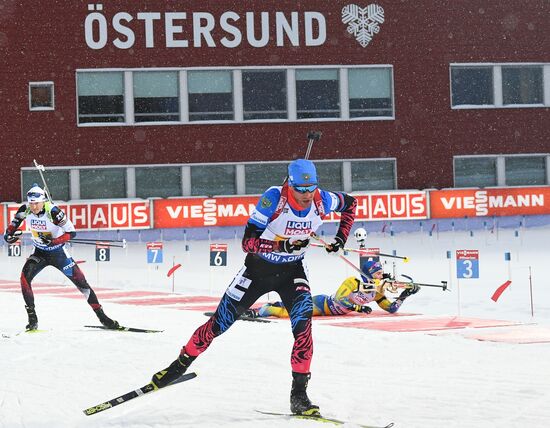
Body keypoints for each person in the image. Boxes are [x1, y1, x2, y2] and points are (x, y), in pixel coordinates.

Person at [151, 159, 356, 416]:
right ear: (289, 184)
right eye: (300, 189)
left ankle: (299, 396)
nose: (306, 195)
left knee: (303, 328)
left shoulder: (323, 200)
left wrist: (340, 238)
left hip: (291, 272)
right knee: (219, 324)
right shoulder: (273, 199)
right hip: (257, 271)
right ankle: (177, 366)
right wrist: (280, 246)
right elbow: (248, 243)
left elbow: (350, 204)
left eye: (311, 188)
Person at [3, 184, 119, 331]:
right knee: (24, 278)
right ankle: (32, 320)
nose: (33, 207)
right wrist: (9, 235)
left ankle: (103, 318)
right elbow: (11, 228)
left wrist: (54, 241)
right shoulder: (24, 210)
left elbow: (71, 233)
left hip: (58, 254)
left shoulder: (53, 211)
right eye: (31, 203)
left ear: (43, 201)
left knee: (82, 284)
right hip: (39, 253)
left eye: (36, 204)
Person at [246, 259, 420, 318]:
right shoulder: (353, 282)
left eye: (382, 273)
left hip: (331, 310)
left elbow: (391, 309)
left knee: (291, 308)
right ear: (368, 274)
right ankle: (260, 311)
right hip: (323, 305)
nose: (381, 276)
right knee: (290, 314)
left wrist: (404, 295)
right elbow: (339, 300)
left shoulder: (378, 292)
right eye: (377, 273)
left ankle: (279, 304)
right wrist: (358, 307)